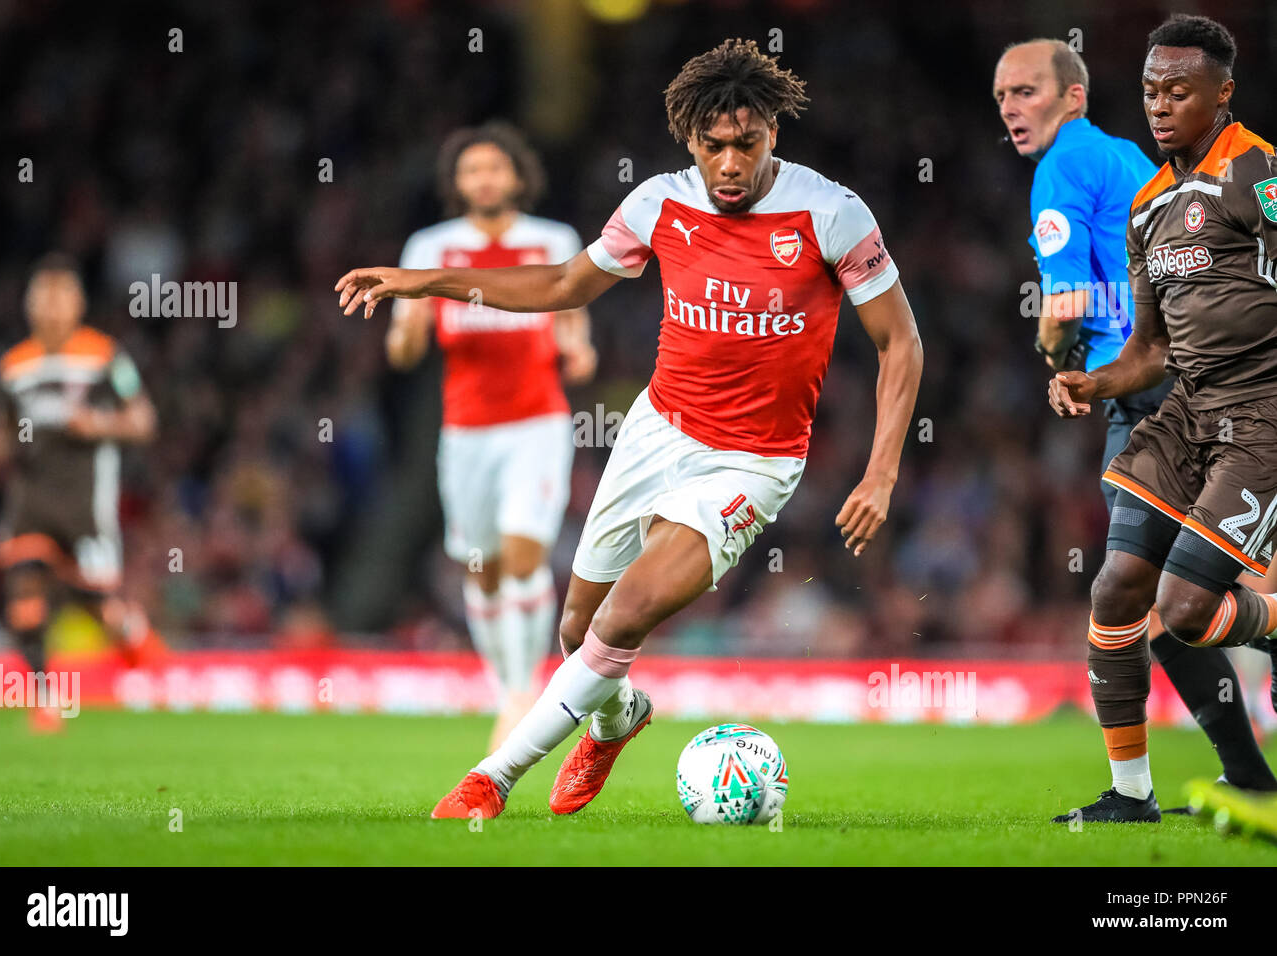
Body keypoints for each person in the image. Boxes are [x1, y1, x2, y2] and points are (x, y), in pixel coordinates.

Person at [336, 38, 923, 819]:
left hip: (750, 462)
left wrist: (881, 471)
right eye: (713, 147)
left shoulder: (831, 213)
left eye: (746, 144)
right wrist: (427, 281)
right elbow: (559, 283)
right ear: (689, 141)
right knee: (578, 627)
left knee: (624, 612)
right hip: (655, 433)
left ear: (773, 134)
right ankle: (617, 721)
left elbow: (900, 341)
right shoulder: (656, 203)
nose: (730, 164)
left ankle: (493, 776)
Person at [993, 37, 1276, 817]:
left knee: (1172, 606)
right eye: (1002, 96)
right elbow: (1155, 329)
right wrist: (1100, 374)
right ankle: (1193, 786)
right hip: (1172, 392)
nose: (1011, 107)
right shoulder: (1138, 182)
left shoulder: (1247, 171)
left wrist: (1056, 350)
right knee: (1129, 593)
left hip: (1224, 404)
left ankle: (1225, 771)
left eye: (1026, 90)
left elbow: (1067, 302)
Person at [385, 122, 596, 752]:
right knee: (480, 568)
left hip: (536, 422)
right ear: (457, 184)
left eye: (495, 168)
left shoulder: (551, 241)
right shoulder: (430, 246)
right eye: (472, 170)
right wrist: (402, 334)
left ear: (517, 176)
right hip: (467, 432)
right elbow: (406, 343)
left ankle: (520, 695)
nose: (484, 179)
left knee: (525, 554)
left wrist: (579, 351)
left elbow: (572, 326)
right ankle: (506, 683)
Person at [0, 254, 161, 731]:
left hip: (85, 501)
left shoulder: (104, 356)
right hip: (30, 496)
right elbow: (0, 433)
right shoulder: (13, 366)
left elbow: (144, 421)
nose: (53, 310)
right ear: (30, 305)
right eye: (44, 299)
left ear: (78, 304)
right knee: (24, 584)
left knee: (95, 604)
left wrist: (99, 422)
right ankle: (45, 698)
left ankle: (132, 634)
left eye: (62, 299)